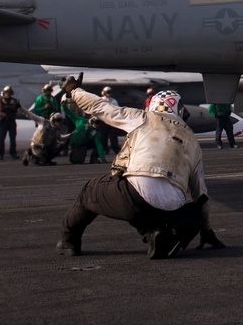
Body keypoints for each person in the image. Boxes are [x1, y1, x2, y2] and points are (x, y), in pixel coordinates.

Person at [56, 78, 225, 259]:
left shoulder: (143, 118)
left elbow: (99, 107)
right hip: (171, 208)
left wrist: (74, 91)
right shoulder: (193, 143)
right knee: (192, 210)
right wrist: (206, 230)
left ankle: (68, 241)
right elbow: (202, 197)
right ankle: (157, 234)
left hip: (135, 197)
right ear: (180, 110)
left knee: (91, 191)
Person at [0, 85, 22, 160]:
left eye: (9, 93)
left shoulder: (14, 100)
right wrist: (11, 107)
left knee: (13, 139)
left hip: (11, 121)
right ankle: (0, 154)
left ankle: (13, 153)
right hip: (3, 121)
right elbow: (1, 109)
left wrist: (9, 108)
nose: (8, 94)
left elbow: (15, 109)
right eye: (7, 92)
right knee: (1, 139)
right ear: (4, 93)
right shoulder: (0, 100)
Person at [98, 87, 121, 154]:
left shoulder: (113, 101)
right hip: (103, 120)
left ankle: (116, 148)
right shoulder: (101, 100)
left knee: (113, 136)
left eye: (110, 92)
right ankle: (105, 149)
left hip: (112, 120)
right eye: (108, 92)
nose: (109, 94)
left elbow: (118, 109)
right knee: (103, 135)